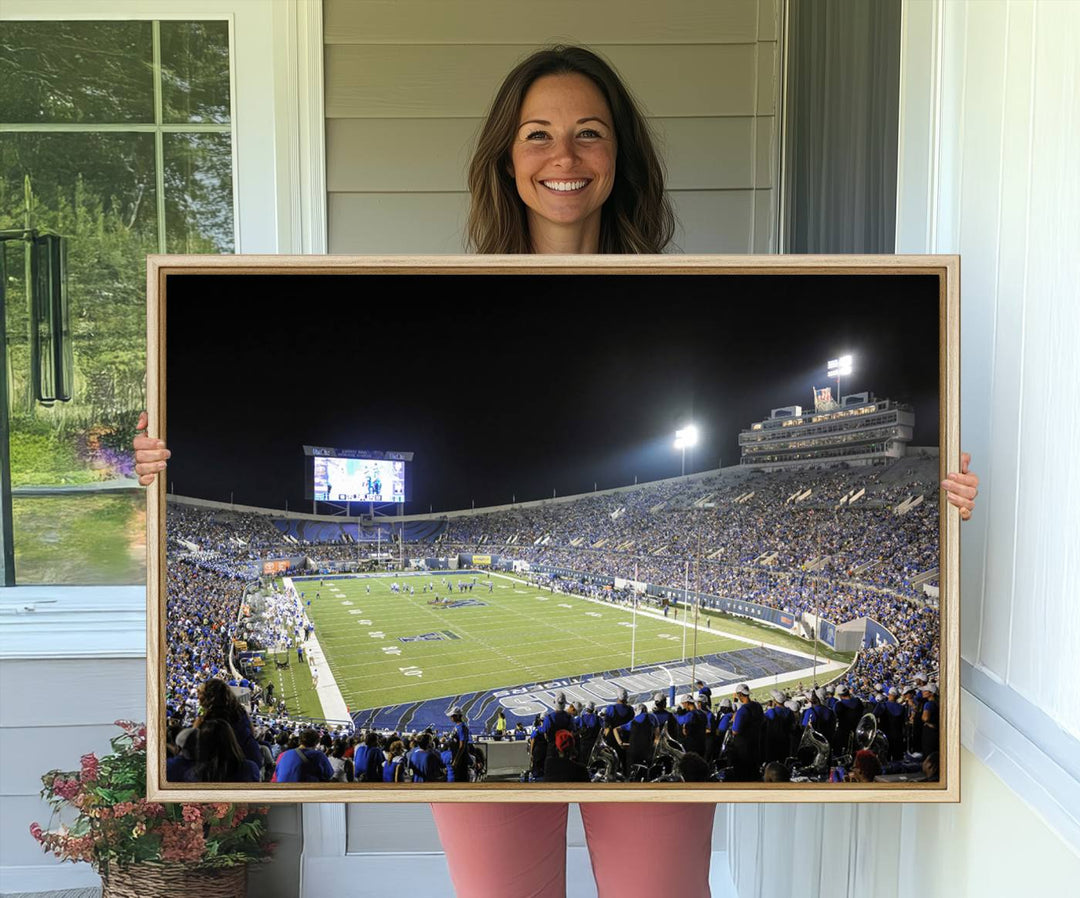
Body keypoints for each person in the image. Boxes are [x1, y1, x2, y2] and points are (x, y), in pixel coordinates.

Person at [135, 43, 980, 898]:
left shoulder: (672, 300)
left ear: (621, 158)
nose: (563, 157)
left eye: (589, 134)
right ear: (506, 157)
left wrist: (937, 502)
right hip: (503, 756)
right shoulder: (451, 294)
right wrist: (155, 470)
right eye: (537, 134)